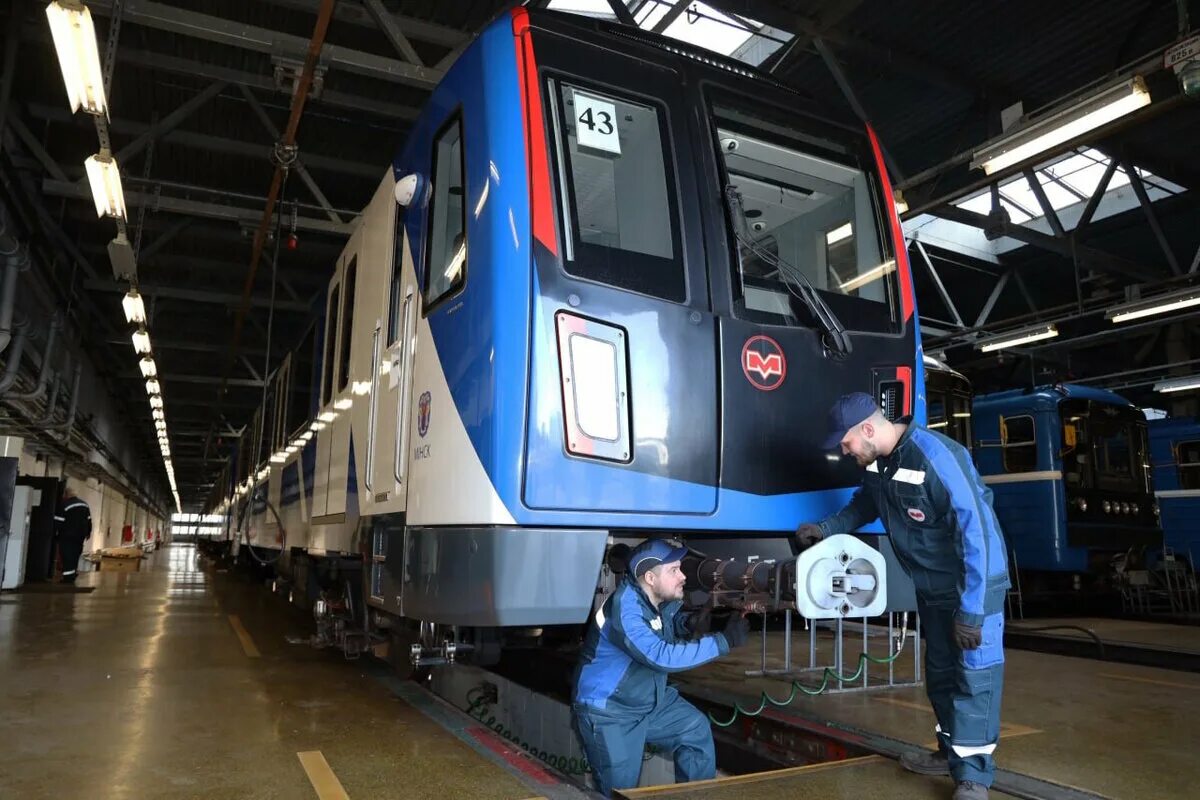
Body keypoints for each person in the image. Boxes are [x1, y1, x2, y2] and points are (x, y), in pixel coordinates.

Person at [794, 393, 1009, 800]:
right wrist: (825, 529)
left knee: (975, 678)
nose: (844, 451)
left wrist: (975, 609)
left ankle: (974, 777)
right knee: (942, 675)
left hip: (971, 590)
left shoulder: (938, 456)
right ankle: (951, 754)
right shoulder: (878, 465)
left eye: (846, 443)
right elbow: (863, 506)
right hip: (932, 591)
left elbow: (978, 532)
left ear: (868, 429)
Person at [573, 539, 750, 797]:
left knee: (694, 731)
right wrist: (723, 641)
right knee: (620, 792)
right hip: (611, 712)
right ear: (650, 578)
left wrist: (690, 623)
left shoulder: (656, 598)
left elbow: (665, 624)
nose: (682, 576)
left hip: (649, 700)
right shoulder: (626, 607)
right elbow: (658, 655)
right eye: (674, 570)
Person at [54, 486, 92, 583]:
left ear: (66, 494)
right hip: (80, 536)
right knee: (75, 554)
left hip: (67, 535)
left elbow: (58, 521)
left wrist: (55, 533)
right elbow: (88, 520)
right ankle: (72, 573)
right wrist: (88, 532)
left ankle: (68, 578)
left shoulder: (64, 505)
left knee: (67, 555)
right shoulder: (85, 505)